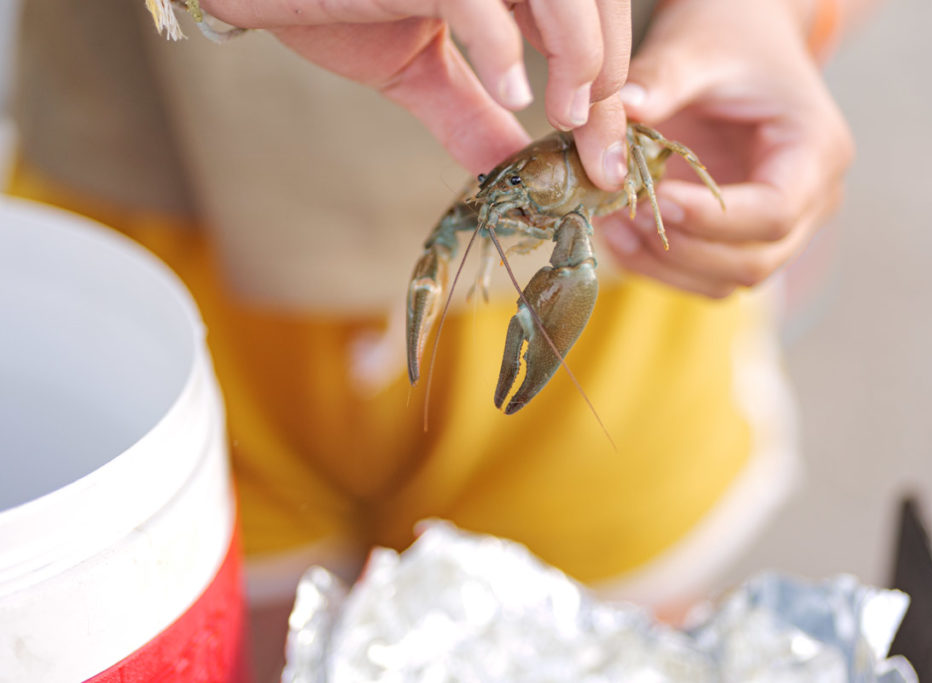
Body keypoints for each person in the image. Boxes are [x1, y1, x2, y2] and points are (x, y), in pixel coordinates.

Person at [7, 0, 874, 678]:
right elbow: (457, 239)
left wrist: (768, 19)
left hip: (622, 311)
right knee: (234, 649)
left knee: (604, 653)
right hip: (155, 251)